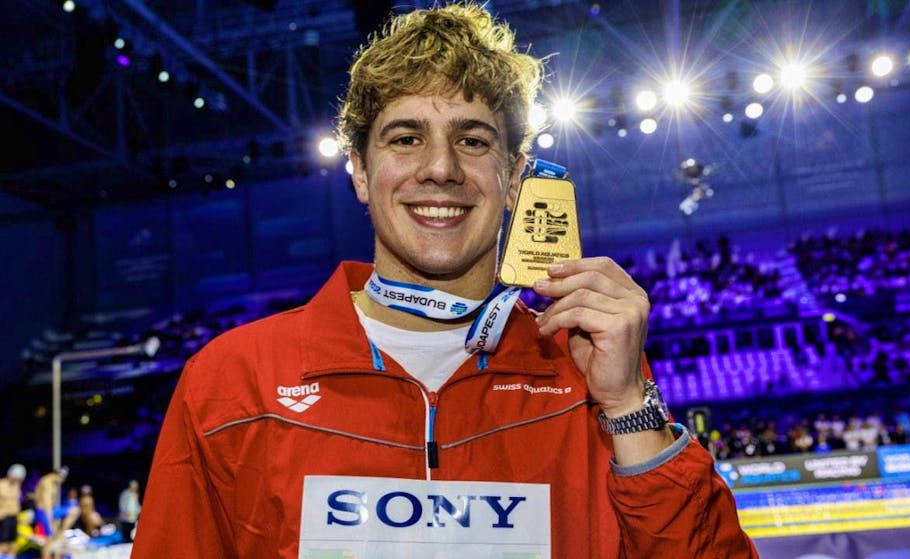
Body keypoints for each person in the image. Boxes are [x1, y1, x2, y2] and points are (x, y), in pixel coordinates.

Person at [133, 4, 756, 557]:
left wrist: (625, 407)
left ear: (515, 177)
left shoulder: (585, 371)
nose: (440, 168)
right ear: (358, 171)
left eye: (472, 140)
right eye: (406, 138)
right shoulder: (234, 382)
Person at [0, 464, 26, 559]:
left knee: (13, 544)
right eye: (16, 478)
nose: (17, 481)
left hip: (13, 517)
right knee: (3, 544)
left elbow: (15, 502)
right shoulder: (1, 484)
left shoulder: (17, 486)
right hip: (4, 518)